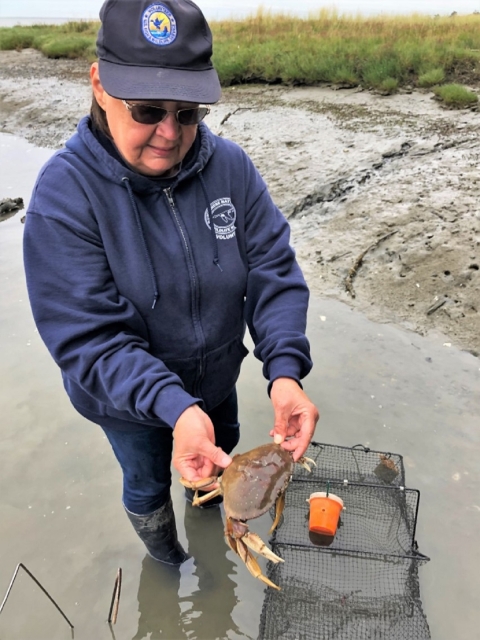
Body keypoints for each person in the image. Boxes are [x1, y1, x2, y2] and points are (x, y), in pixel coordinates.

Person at [23, 0, 319, 566]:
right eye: (147, 109)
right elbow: (90, 341)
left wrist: (285, 370)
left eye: (188, 114)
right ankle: (166, 559)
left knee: (219, 469)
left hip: (217, 376)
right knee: (145, 478)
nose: (168, 133)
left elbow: (272, 268)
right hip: (128, 404)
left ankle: (212, 542)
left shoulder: (230, 168)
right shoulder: (64, 198)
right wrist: (173, 407)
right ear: (99, 84)